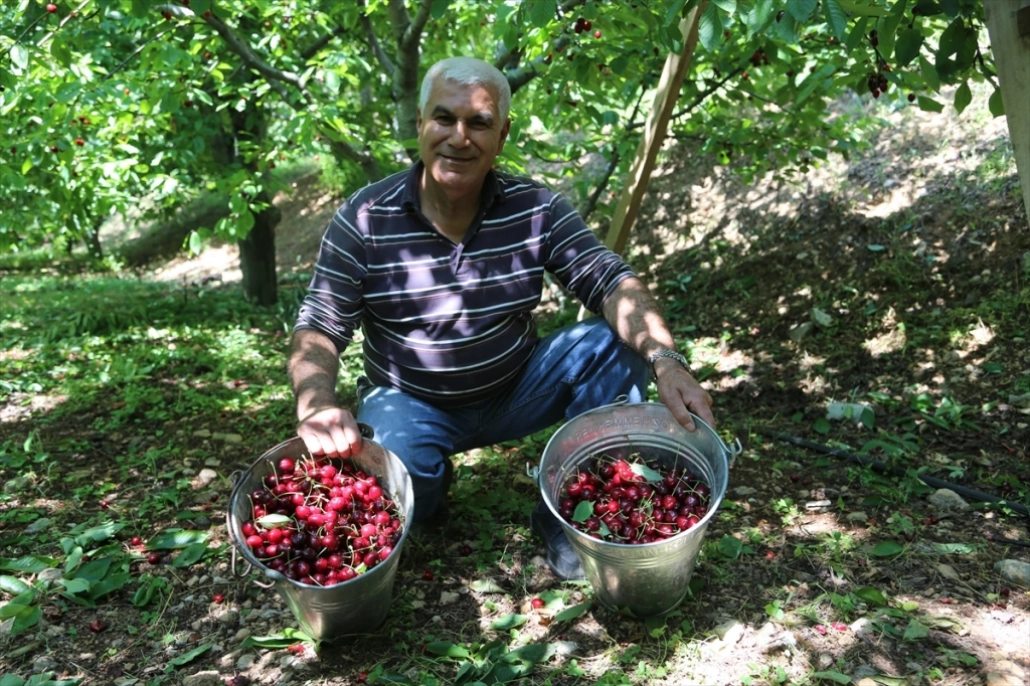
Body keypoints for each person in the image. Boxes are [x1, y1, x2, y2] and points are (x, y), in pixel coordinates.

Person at [287, 56, 715, 580]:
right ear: (419, 123)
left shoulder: (534, 209)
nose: (458, 137)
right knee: (405, 489)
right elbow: (320, 325)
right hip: (411, 400)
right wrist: (317, 404)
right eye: (444, 118)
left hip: (518, 387)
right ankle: (429, 486)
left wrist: (666, 361)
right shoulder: (364, 218)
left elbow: (611, 281)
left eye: (479, 122)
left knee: (613, 343)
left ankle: (568, 514)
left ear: (502, 134)